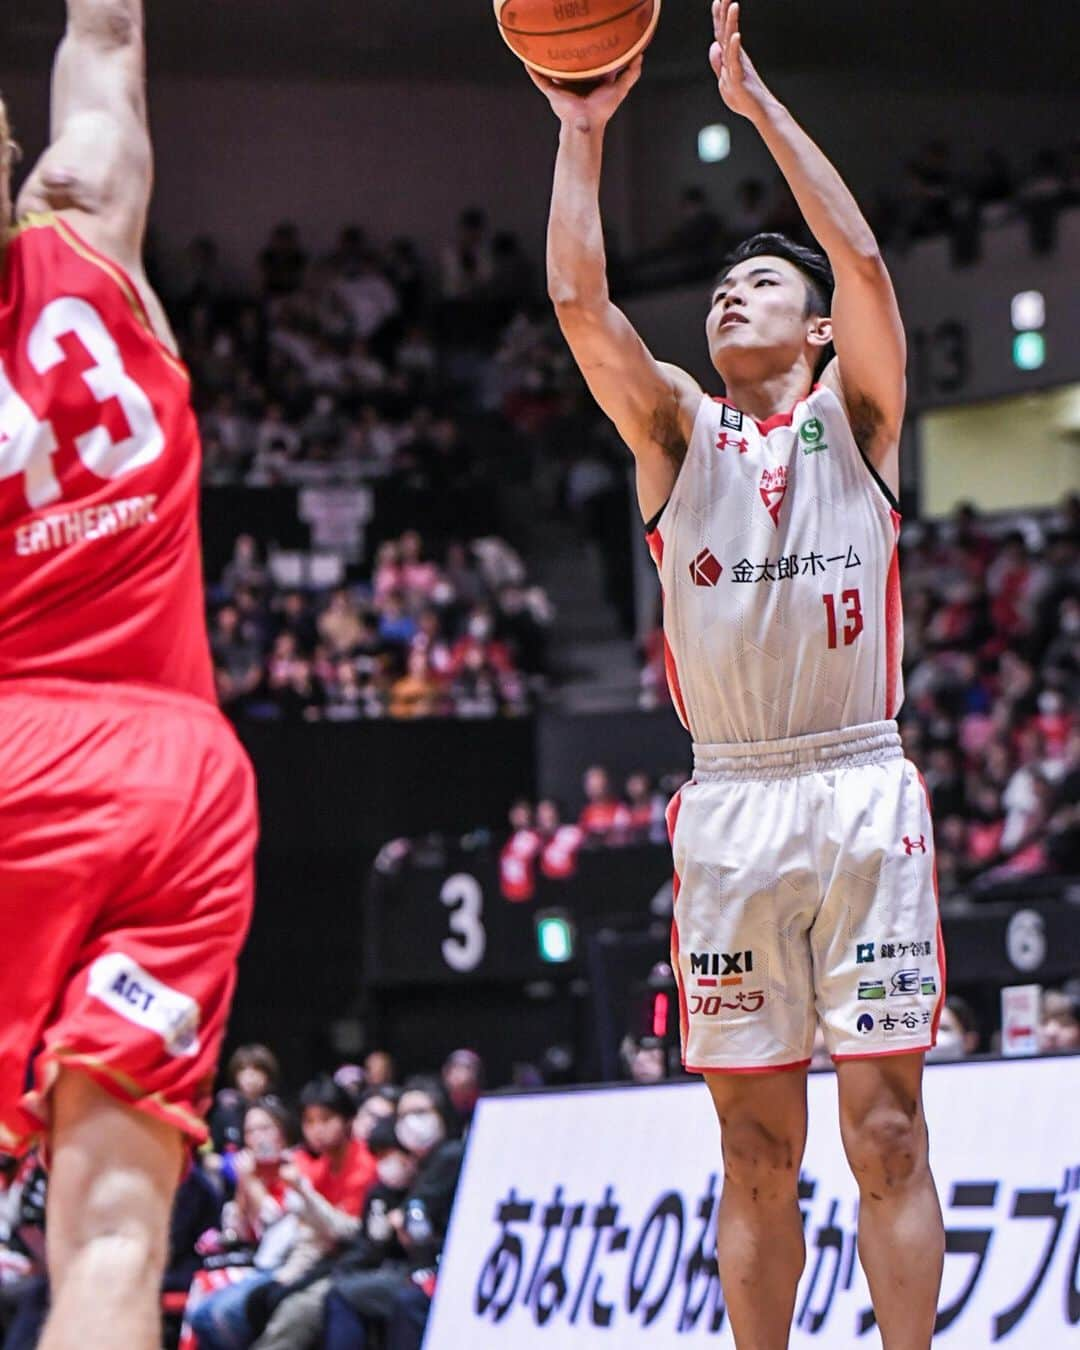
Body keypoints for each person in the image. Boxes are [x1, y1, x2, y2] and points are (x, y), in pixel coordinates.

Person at [527, 2, 945, 1345]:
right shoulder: (671, 429)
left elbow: (866, 259)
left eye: (764, 285)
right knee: (755, 1149)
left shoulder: (856, 415)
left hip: (860, 785)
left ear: (817, 336)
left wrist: (756, 102)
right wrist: (583, 130)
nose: (730, 293)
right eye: (721, 285)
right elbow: (579, 301)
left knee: (885, 1129)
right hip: (734, 802)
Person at [0, 4, 259, 1349]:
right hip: (182, 776)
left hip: (17, 755)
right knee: (110, 1233)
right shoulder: (87, 225)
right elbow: (103, 31)